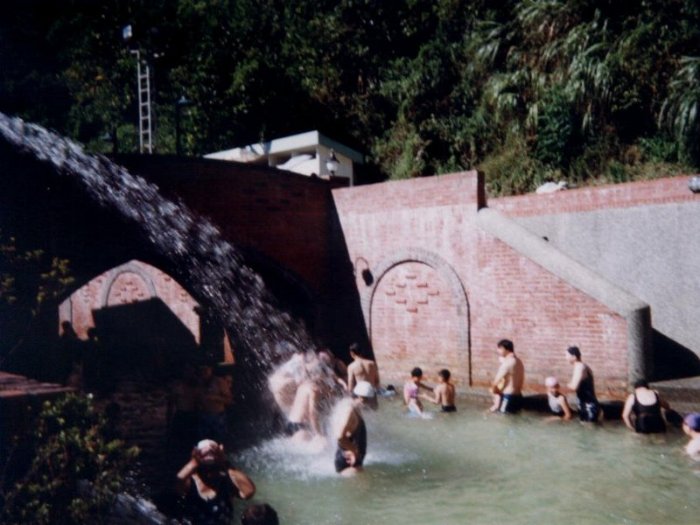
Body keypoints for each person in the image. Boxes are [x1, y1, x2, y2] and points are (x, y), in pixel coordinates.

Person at [176, 439, 255, 525]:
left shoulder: (226, 479)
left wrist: (224, 463)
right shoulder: (190, 480)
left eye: (213, 451)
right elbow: (179, 480)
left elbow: (249, 492)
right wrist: (194, 461)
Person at [332, 381, 374, 476]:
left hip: (349, 459)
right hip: (350, 462)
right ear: (362, 398)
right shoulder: (350, 411)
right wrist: (354, 451)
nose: (372, 403)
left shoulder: (349, 405)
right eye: (371, 399)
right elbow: (339, 437)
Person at [197, 364, 233, 444]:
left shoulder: (219, 382)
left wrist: (216, 398)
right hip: (204, 416)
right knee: (204, 443)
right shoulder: (199, 382)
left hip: (218, 417)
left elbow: (230, 400)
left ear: (211, 369)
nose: (204, 371)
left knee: (219, 441)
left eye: (206, 369)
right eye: (202, 369)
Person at [565, 346, 600, 422]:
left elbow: (574, 387)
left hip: (589, 406)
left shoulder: (580, 367)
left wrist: (557, 389)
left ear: (574, 357)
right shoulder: (581, 366)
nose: (566, 358)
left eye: (567, 355)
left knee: (589, 427)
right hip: (584, 404)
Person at [490, 339, 525, 414]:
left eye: (499, 348)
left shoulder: (507, 363)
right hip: (519, 396)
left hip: (508, 396)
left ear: (504, 349)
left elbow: (495, 382)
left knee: (502, 418)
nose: (497, 351)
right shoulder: (519, 361)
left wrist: (495, 393)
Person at [346, 343, 380, 409]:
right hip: (372, 394)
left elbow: (350, 384)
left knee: (348, 407)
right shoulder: (372, 363)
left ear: (352, 353)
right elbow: (377, 381)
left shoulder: (351, 366)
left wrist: (349, 396)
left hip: (361, 397)